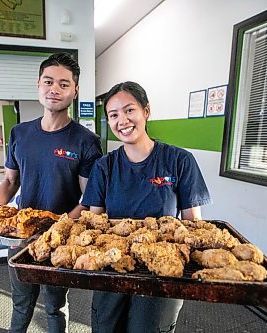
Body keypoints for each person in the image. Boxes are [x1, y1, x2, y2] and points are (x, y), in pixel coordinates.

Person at [81, 81, 211, 333]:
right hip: (113, 267)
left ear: (146, 112)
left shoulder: (179, 160)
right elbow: (92, 224)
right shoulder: (104, 167)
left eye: (129, 110)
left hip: (160, 269)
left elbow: (193, 223)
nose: (123, 120)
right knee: (106, 328)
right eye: (114, 115)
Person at [0, 52, 103, 333]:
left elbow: (88, 200)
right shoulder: (19, 133)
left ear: (75, 91)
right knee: (20, 302)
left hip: (59, 239)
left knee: (54, 306)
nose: (55, 89)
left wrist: (57, 228)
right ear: (38, 85)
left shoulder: (86, 141)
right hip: (20, 235)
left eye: (64, 84)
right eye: (48, 81)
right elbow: (9, 182)